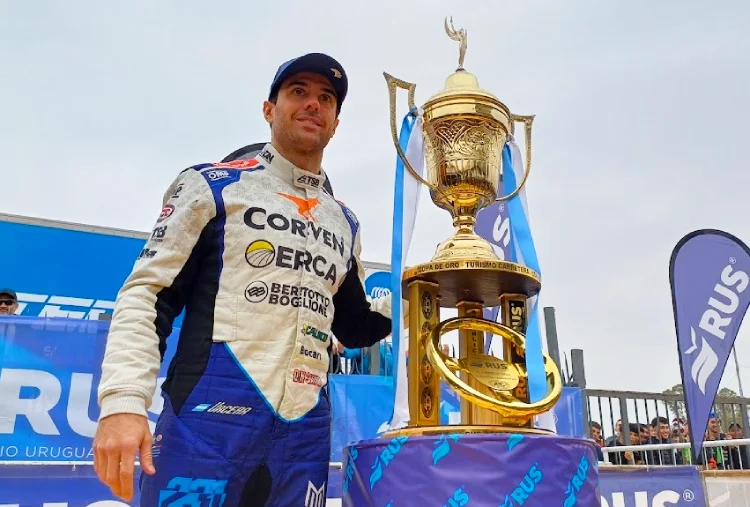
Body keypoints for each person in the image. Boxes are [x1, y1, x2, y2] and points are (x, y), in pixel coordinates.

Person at [92, 52, 404, 506]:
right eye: (298, 92)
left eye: (326, 98)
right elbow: (147, 296)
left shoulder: (344, 223)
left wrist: (414, 299)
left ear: (336, 123)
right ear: (269, 109)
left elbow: (353, 325)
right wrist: (122, 402)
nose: (313, 104)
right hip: (209, 419)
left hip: (304, 433)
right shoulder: (211, 185)